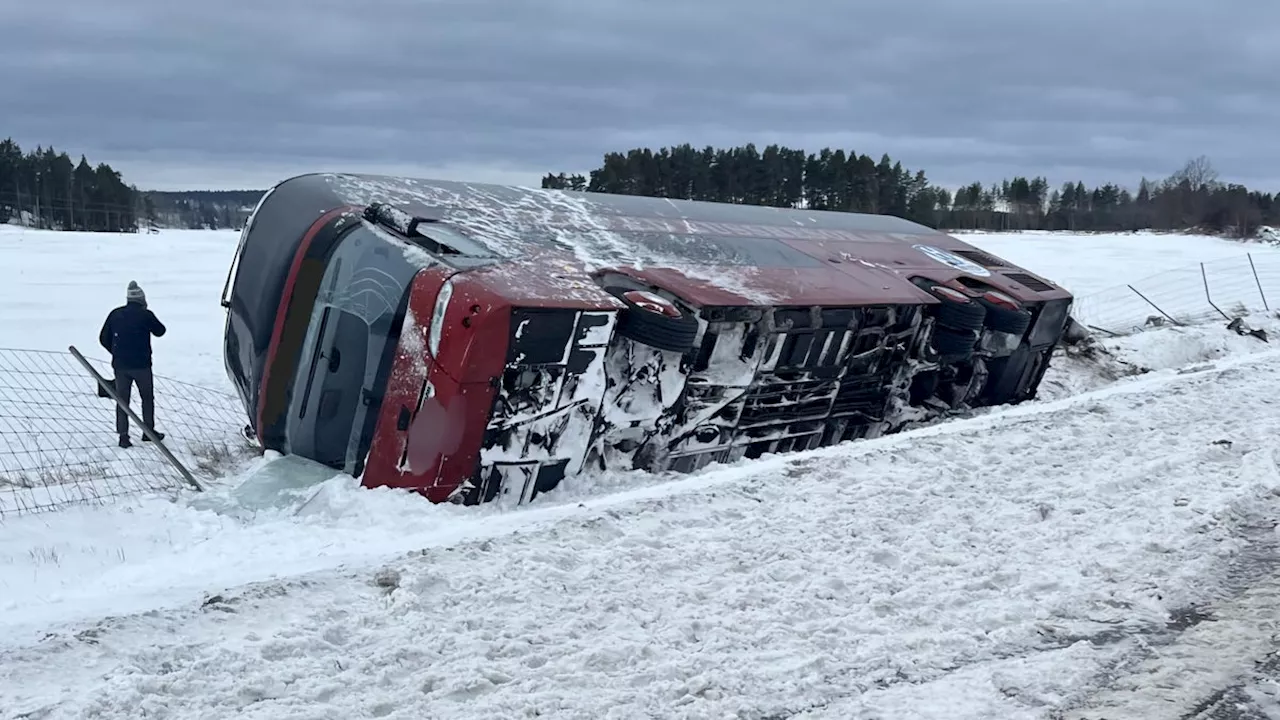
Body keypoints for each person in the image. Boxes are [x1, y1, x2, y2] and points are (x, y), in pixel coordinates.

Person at [99, 281, 167, 448]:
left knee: (122, 400)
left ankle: (123, 436)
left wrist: (116, 352)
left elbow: (103, 338)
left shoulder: (115, 314)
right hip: (142, 365)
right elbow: (161, 331)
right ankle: (148, 432)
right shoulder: (146, 315)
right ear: (142, 299)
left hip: (121, 366)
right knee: (147, 398)